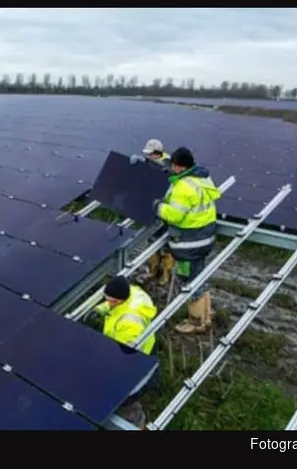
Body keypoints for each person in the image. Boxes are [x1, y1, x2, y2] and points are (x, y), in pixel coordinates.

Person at [152, 147, 221, 334]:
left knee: (189, 281)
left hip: (188, 243)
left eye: (174, 166)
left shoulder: (183, 187)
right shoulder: (202, 178)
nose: (172, 169)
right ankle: (206, 315)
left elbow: (175, 216)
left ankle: (196, 321)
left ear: (180, 167)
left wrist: (158, 207)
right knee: (199, 276)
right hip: (204, 238)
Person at [94, 275, 159, 428]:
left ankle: (135, 423)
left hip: (135, 367)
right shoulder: (134, 293)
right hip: (149, 348)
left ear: (118, 301)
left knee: (126, 400)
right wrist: (102, 308)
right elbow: (116, 302)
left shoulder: (128, 326)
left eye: (109, 300)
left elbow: (121, 360)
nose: (107, 302)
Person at [129, 139, 174, 284]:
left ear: (157, 153)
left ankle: (165, 274)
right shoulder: (152, 161)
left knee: (167, 246)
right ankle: (153, 271)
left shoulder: (168, 163)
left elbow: (164, 168)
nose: (148, 157)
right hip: (155, 208)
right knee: (152, 242)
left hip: (167, 211)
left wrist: (146, 162)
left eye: (150, 155)